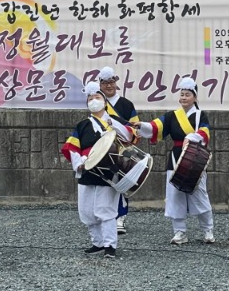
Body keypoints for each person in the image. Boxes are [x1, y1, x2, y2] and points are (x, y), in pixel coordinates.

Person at [136, 77, 215, 245]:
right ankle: (179, 232)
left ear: (195, 97)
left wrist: (192, 137)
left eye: (187, 94)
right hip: (176, 157)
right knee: (175, 194)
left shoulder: (201, 115)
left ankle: (208, 229)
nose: (184, 97)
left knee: (199, 193)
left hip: (195, 157)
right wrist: (141, 125)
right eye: (182, 94)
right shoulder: (172, 116)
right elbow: (155, 127)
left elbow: (205, 132)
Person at [61, 81, 135, 259]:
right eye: (90, 98)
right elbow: (71, 147)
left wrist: (114, 124)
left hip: (108, 169)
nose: (94, 100)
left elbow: (130, 136)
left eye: (97, 97)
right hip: (87, 169)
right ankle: (97, 242)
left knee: (105, 209)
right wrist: (79, 161)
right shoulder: (82, 125)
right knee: (86, 210)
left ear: (104, 101)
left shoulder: (114, 121)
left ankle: (110, 244)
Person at [98, 66, 138, 235]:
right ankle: (105, 216)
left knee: (122, 181)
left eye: (111, 82)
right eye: (105, 83)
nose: (109, 86)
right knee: (104, 182)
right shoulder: (97, 103)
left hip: (123, 148)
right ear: (100, 85)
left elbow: (135, 128)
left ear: (116, 83)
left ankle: (120, 217)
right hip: (103, 148)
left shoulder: (126, 104)